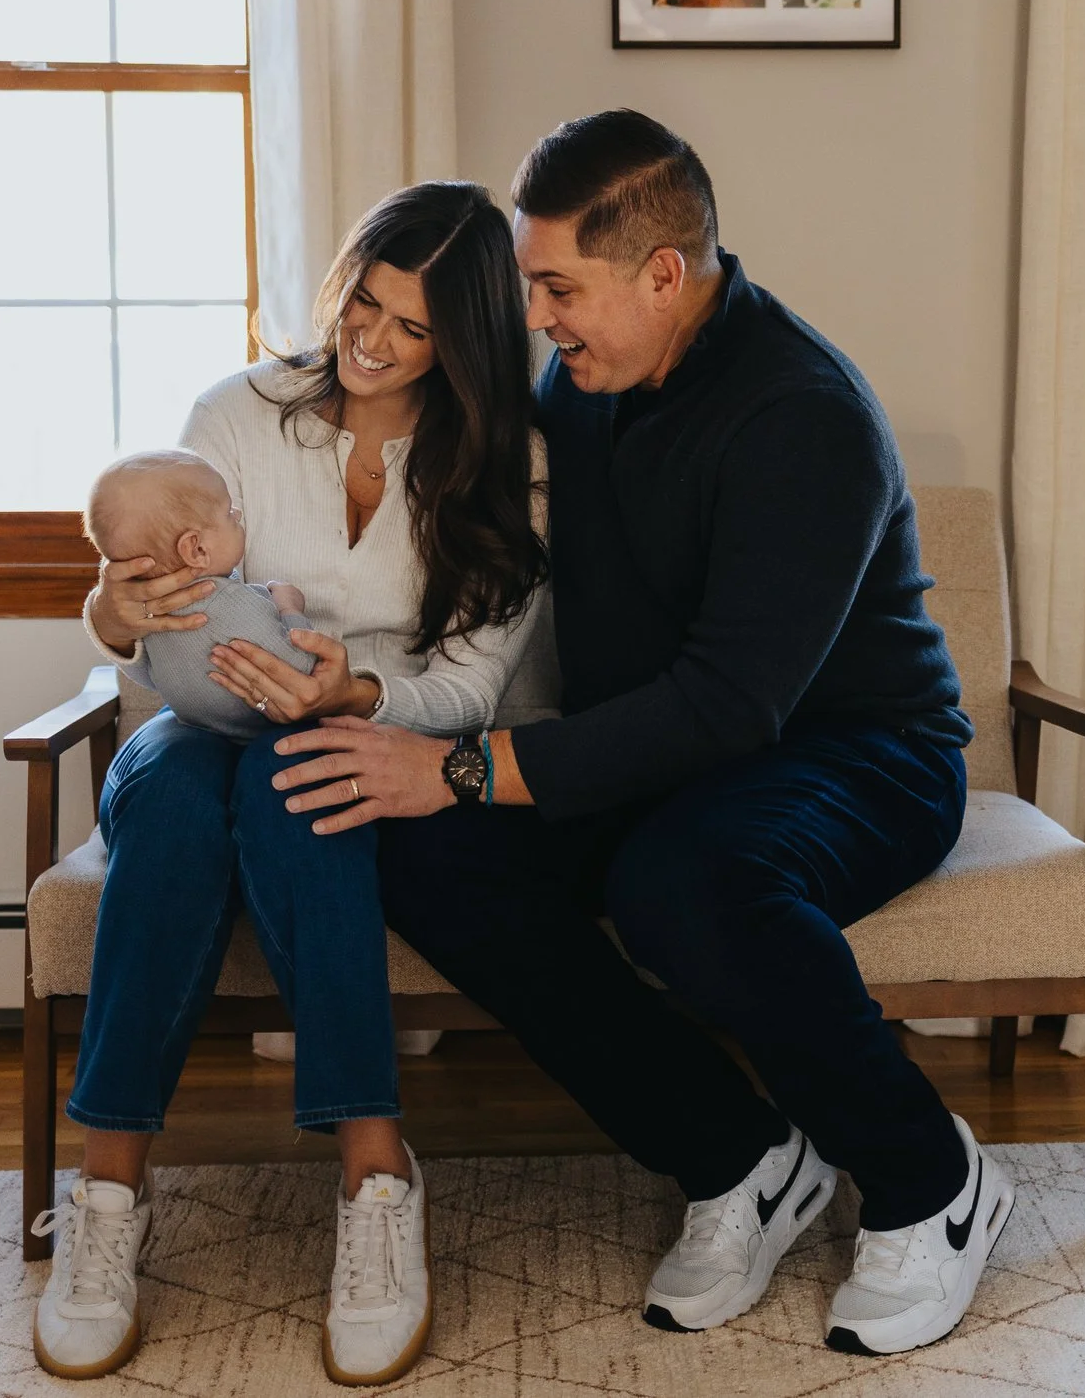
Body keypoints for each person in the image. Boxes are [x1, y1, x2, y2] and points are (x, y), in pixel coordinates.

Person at [272, 110, 1013, 1359]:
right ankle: (741, 1158)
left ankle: (931, 1180)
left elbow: (734, 705)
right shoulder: (589, 378)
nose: (540, 318)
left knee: (686, 881)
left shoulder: (803, 415)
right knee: (429, 853)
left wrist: (460, 763)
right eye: (530, 286)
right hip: (661, 748)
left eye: (559, 286)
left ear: (663, 273)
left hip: (856, 753)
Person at [30, 181, 552, 1387]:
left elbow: (471, 687)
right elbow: (138, 574)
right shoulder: (238, 411)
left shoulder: (506, 463)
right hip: (190, 719)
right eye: (363, 300)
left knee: (298, 780)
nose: (370, 338)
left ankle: (376, 1173)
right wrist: (110, 609)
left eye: (412, 326)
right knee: (163, 793)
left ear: (465, 342)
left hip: (347, 726)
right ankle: (108, 1192)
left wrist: (353, 698)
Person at [80, 448, 317, 742]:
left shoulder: (152, 621)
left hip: (194, 729)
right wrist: (290, 607)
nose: (239, 515)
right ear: (197, 549)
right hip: (262, 730)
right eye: (230, 513)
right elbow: (303, 668)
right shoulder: (231, 604)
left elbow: (149, 678)